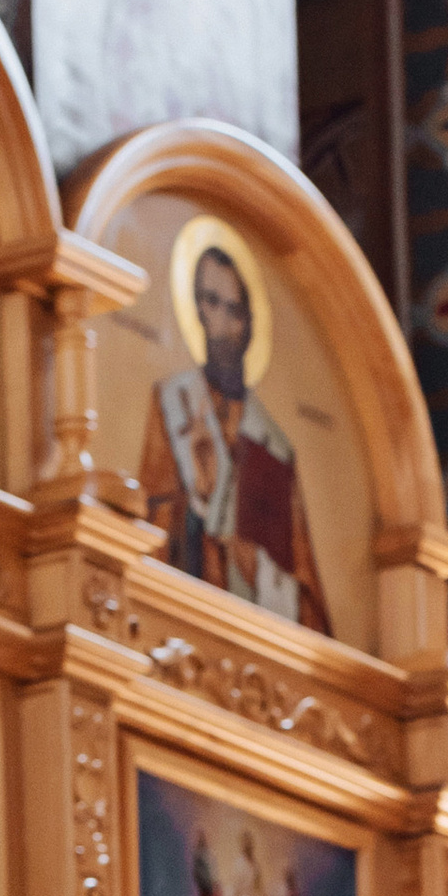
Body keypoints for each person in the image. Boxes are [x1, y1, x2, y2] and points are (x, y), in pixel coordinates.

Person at [137, 238, 333, 633]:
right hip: (181, 625)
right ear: (196, 308)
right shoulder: (174, 403)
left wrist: (251, 561)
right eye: (211, 302)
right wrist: (195, 504)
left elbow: (304, 591)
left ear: (250, 324)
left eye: (235, 309)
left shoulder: (275, 447)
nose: (223, 324)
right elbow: (148, 532)